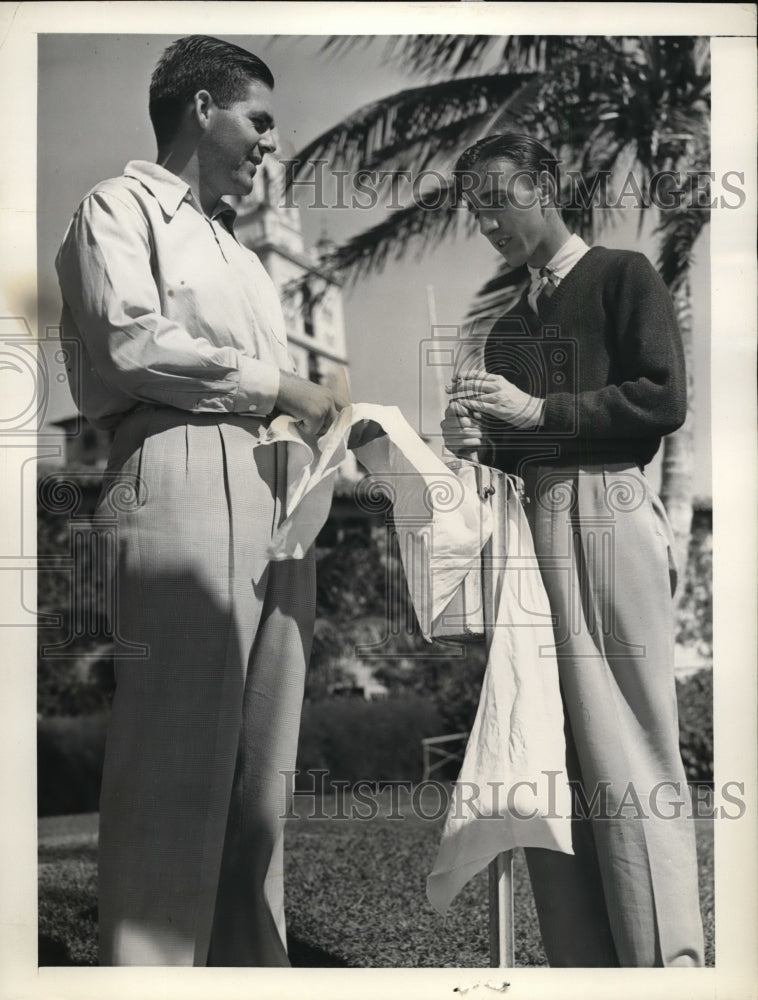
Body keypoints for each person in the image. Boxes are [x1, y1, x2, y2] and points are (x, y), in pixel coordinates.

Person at [55, 35, 347, 967]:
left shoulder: (243, 257)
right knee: (175, 768)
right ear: (202, 109)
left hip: (279, 492)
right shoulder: (118, 207)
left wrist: (326, 438)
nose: (270, 142)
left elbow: (280, 389)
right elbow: (132, 347)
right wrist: (279, 388)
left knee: (259, 789)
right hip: (179, 470)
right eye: (259, 119)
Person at [441, 133, 704, 967]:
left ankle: (669, 963)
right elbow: (513, 447)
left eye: (498, 198)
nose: (487, 221)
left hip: (612, 511)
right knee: (550, 746)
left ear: (546, 186)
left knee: (629, 740)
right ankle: (585, 966)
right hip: (534, 530)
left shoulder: (624, 275)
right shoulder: (507, 331)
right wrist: (472, 441)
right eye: (475, 210)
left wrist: (535, 415)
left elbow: (662, 400)